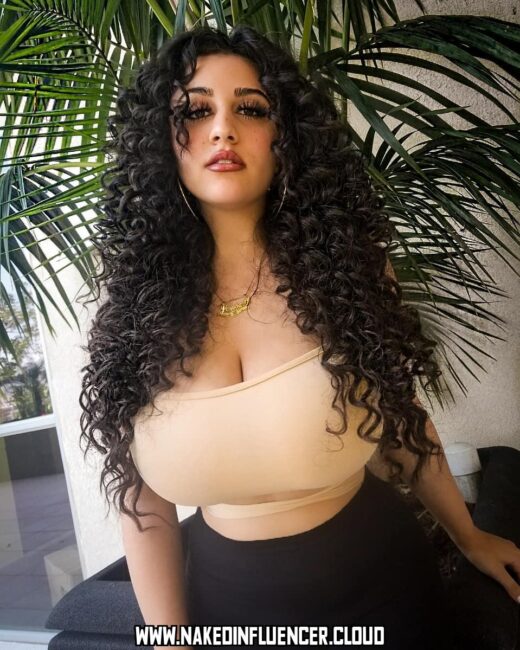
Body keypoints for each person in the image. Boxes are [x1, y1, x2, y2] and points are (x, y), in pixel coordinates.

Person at [79, 24, 520, 650]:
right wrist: (168, 639)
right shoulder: (131, 305)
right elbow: (143, 500)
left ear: (285, 135)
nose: (223, 129)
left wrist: (468, 537)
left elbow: (402, 420)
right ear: (161, 141)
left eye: (251, 109)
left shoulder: (348, 271)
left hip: (384, 594)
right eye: (197, 111)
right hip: (226, 610)